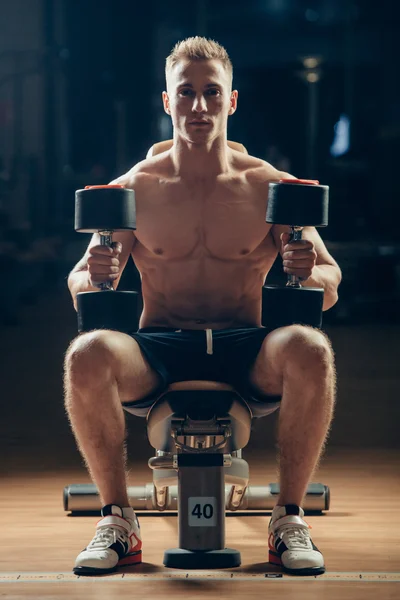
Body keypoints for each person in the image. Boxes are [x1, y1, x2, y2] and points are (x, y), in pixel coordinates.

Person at [64, 36, 341, 577]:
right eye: (185, 93)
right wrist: (92, 278)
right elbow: (79, 278)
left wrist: (308, 271)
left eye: (211, 93)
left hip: (247, 347)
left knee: (311, 346)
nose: (198, 106)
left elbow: (331, 282)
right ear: (166, 102)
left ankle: (288, 518)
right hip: (160, 348)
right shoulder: (135, 189)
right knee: (86, 353)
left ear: (231, 101)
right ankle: (118, 519)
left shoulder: (268, 186)